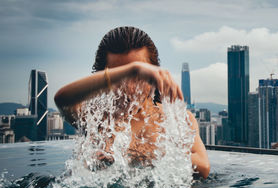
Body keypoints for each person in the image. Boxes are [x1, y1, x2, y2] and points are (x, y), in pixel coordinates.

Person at [54, 26, 210, 179]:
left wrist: (137, 156)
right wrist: (133, 69)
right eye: (120, 77)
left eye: (138, 77)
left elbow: (203, 167)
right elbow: (63, 100)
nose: (128, 88)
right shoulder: (97, 118)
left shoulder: (176, 119)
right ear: (103, 80)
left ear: (154, 74)